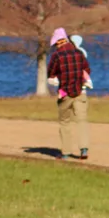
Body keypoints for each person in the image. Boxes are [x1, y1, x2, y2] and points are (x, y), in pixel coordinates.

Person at [47, 28, 91, 160]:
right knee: (81, 121)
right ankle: (84, 149)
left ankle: (66, 152)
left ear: (57, 42)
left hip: (65, 93)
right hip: (80, 92)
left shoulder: (57, 56)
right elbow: (87, 70)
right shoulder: (78, 53)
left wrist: (59, 76)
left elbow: (50, 73)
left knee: (65, 122)